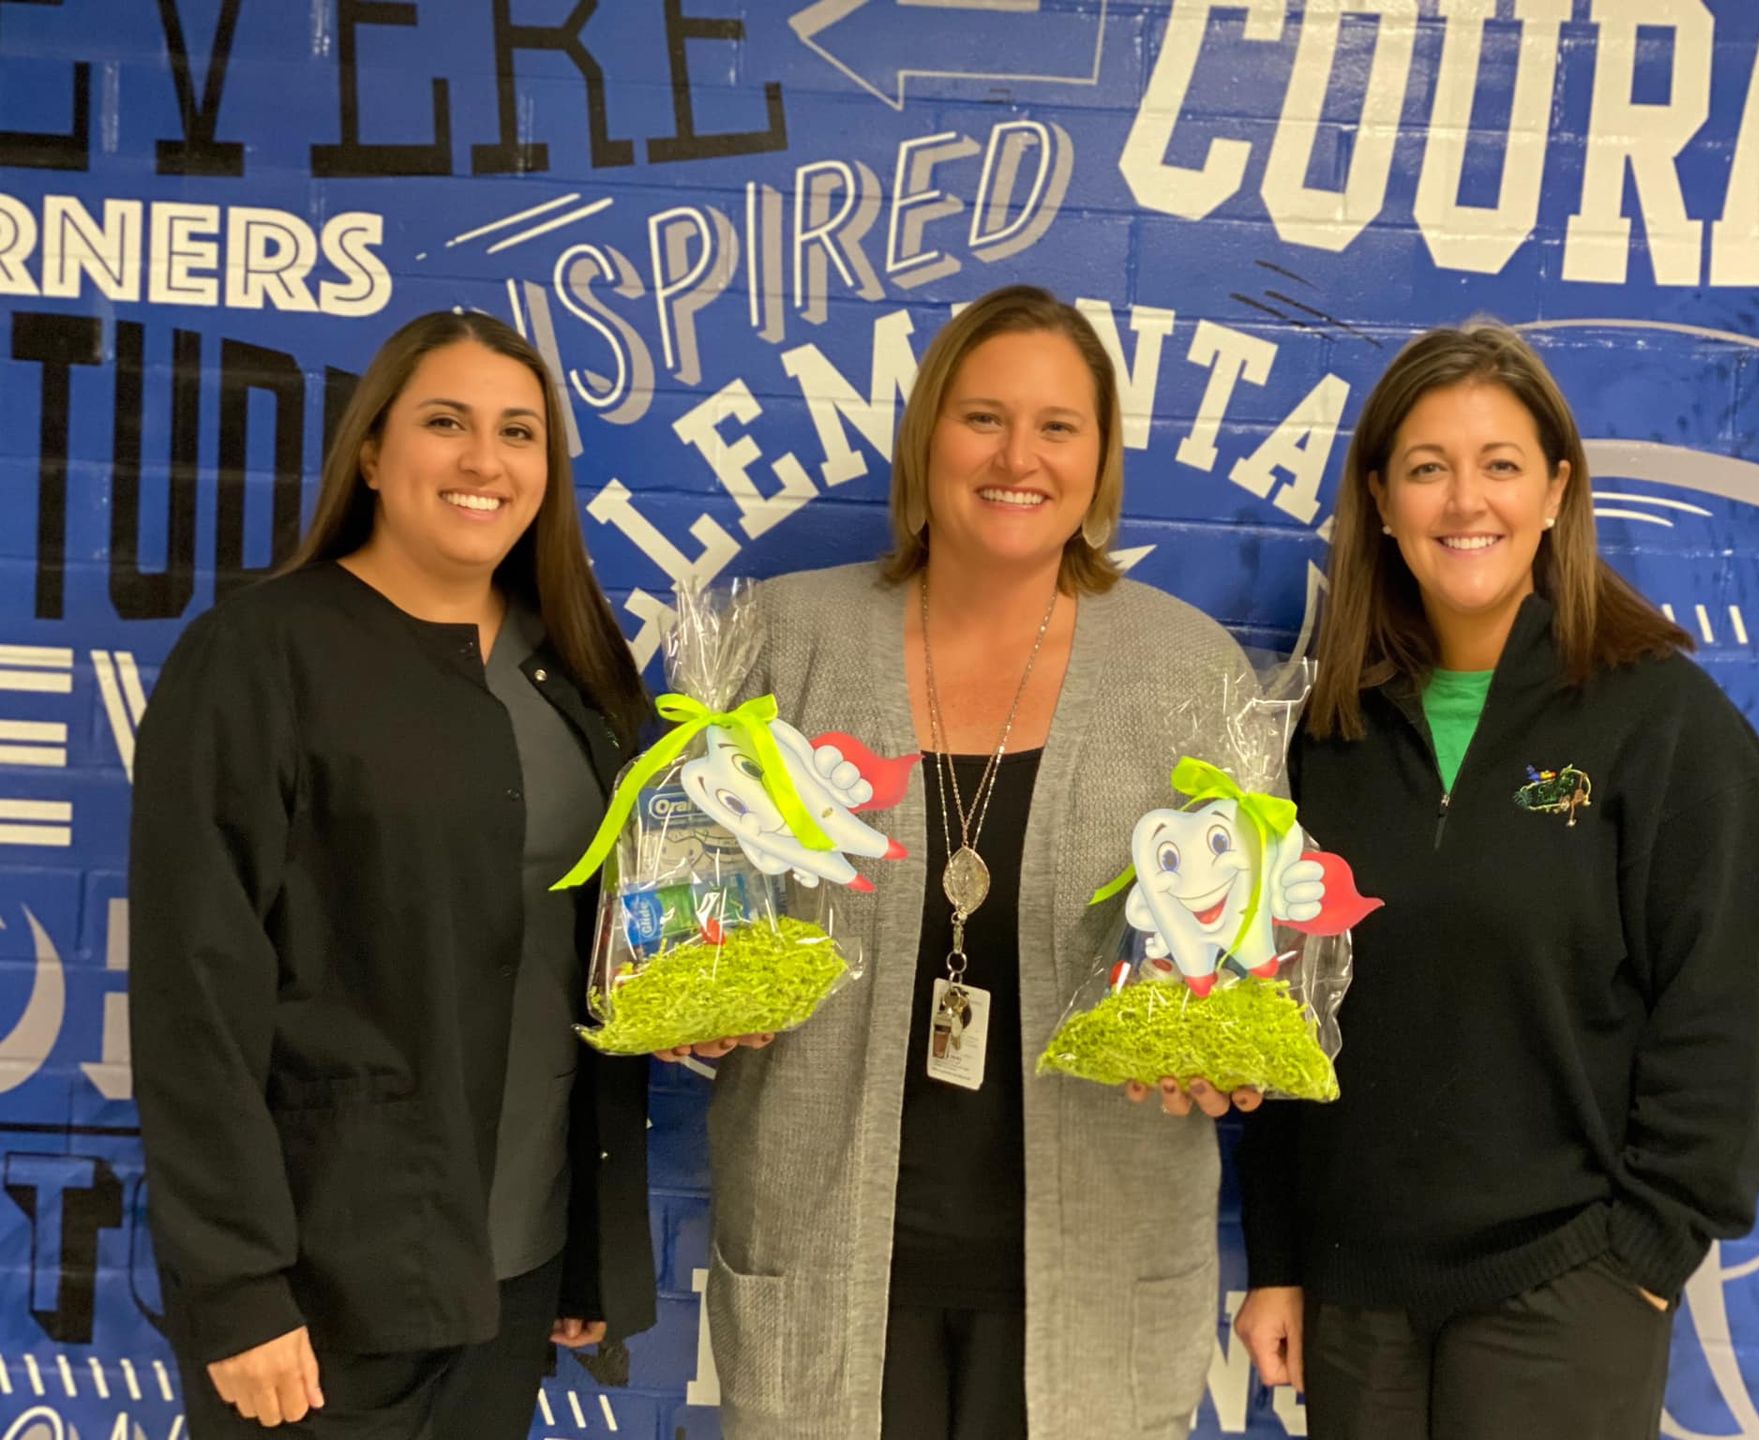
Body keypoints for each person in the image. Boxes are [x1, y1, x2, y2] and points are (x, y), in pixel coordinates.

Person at [683, 285, 1252, 1440]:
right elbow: (683, 899)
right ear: (926, 435)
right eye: (982, 417)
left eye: (1058, 427)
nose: (1017, 457)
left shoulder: (1189, 671)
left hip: (1098, 1280)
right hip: (827, 1269)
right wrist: (687, 997)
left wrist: (1236, 1030)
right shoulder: (783, 641)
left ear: (1101, 463)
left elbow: (1255, 953)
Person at [1232, 320, 1759, 1439]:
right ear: (1383, 504)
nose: (1464, 501)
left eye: (1500, 465)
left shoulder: (1662, 722)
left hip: (1566, 1285)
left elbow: (1728, 1010)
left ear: (1555, 493)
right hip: (1359, 1300)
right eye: (1428, 469)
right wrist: (1286, 1260)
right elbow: (1285, 1021)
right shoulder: (1322, 739)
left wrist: (1643, 1253)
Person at [129, 311, 655, 1437]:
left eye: (519, 431)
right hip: (322, 1290)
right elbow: (193, 995)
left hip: (512, 1270)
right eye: (445, 423)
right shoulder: (260, 656)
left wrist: (589, 1258)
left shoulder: (581, 667)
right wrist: (237, 1292)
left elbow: (598, 947)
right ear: (373, 453)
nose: (484, 461)